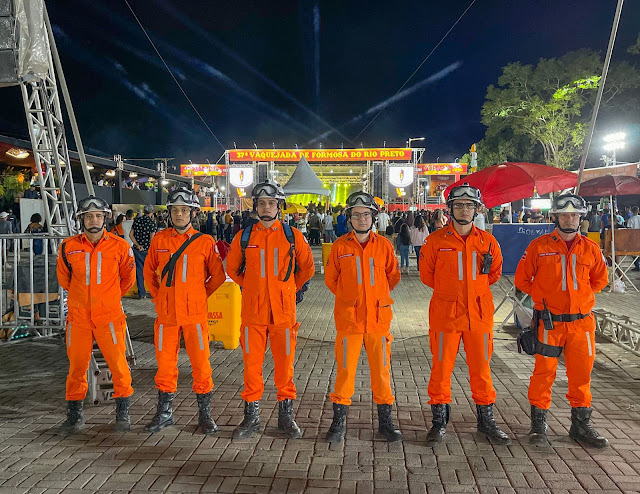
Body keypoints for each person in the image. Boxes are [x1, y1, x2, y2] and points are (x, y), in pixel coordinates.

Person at [515, 194, 609, 448]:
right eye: (565, 214)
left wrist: (579, 298)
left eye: (575, 215)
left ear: (581, 218)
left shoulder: (591, 248)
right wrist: (544, 297)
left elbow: (600, 280)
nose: (570, 218)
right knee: (543, 374)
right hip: (549, 324)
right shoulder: (539, 246)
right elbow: (522, 280)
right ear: (554, 216)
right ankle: (538, 427)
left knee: (582, 376)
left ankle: (580, 426)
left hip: (582, 324)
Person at [419, 183, 510, 446]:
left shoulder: (488, 242)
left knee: (481, 371)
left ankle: (486, 422)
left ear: (477, 209)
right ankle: (438, 422)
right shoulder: (435, 241)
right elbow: (427, 276)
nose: (464, 210)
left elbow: (493, 274)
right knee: (441, 370)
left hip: (478, 317)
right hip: (445, 316)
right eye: (458, 205)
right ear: (449, 210)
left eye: (469, 205)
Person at [226, 181, 315, 439]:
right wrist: (251, 287)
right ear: (255, 206)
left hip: (283, 315)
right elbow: (231, 270)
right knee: (252, 366)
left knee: (284, 366)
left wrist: (288, 289)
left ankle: (285, 418)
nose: (267, 207)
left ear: (279, 206)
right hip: (253, 314)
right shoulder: (244, 237)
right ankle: (251, 418)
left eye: (272, 203)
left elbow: (307, 268)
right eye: (262, 203)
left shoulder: (292, 236)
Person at [143, 189, 226, 435]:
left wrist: (199, 295)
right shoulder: (159, 240)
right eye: (175, 210)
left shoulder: (205, 242)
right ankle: (164, 413)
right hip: (167, 315)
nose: (179, 214)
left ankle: (205, 415)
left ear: (193, 213)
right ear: (169, 213)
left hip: (195, 316)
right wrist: (160, 296)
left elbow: (217, 276)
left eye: (184, 210)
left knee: (201, 365)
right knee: (165, 365)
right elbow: (148, 273)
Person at [324, 191, 402, 443]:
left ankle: (386, 423)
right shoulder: (340, 247)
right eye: (356, 215)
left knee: (381, 371)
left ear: (374, 218)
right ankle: (338, 423)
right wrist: (350, 298)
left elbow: (393, 276)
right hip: (349, 321)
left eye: (366, 214)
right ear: (349, 218)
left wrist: (376, 296)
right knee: (345, 371)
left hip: (378, 321)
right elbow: (331, 280)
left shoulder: (385, 246)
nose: (361, 219)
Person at [56, 196, 136, 434]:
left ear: (106, 218)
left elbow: (128, 280)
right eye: (89, 216)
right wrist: (85, 299)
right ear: (81, 219)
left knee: (119, 366)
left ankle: (123, 415)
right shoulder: (68, 246)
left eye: (98, 216)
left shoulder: (120, 246)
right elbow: (64, 280)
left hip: (109, 317)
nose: (94, 220)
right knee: (76, 368)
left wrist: (106, 299)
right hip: (78, 318)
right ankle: (74, 417)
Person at [130, 205, 157, 299]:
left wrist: (137, 245)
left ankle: (142, 293)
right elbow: (152, 239)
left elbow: (131, 235)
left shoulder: (137, 220)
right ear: (152, 212)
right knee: (150, 272)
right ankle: (152, 292)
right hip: (147, 251)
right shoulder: (152, 223)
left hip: (137, 250)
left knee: (139, 272)